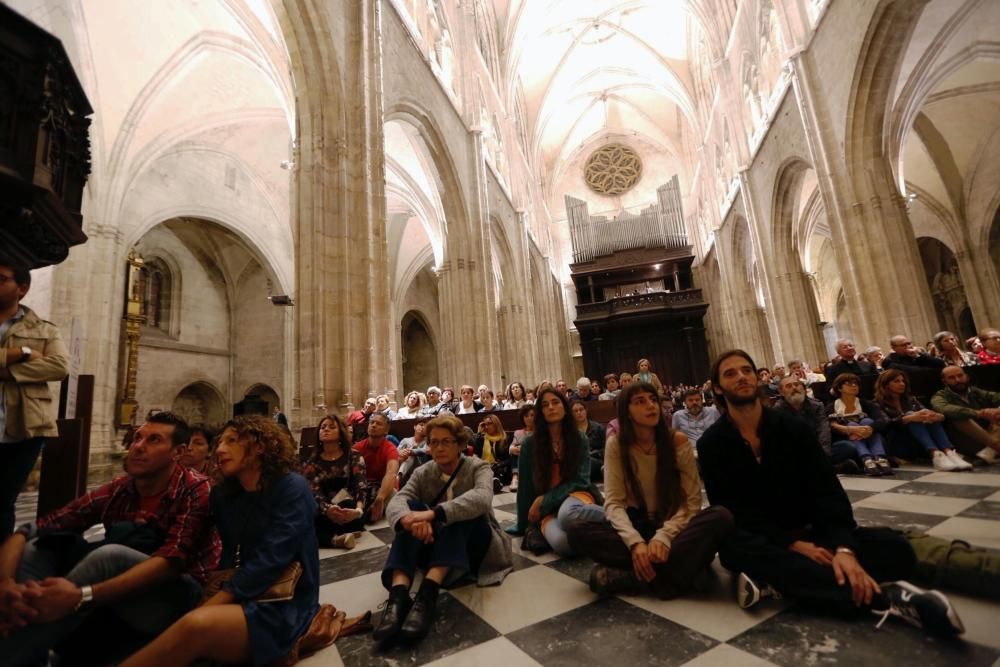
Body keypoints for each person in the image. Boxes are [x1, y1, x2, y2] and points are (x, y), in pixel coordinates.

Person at [697, 350, 964, 637]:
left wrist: (844, 550)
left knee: (897, 550)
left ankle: (778, 583)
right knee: (739, 547)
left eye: (746, 370)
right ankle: (887, 599)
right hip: (760, 537)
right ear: (717, 388)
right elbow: (734, 510)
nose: (742, 377)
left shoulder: (793, 428)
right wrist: (791, 543)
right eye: (730, 373)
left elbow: (827, 491)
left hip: (809, 528)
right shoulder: (712, 444)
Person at [0, 412, 220, 666]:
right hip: (123, 591)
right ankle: (22, 634)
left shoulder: (196, 489)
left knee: (109, 556)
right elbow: (36, 528)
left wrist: (80, 596)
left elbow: (172, 561)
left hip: (177, 596)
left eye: (154, 440)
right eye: (137, 437)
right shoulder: (121, 488)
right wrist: (5, 584)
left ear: (178, 452)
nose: (137, 446)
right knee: (34, 550)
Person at [122, 416, 320, 667]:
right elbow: (210, 545)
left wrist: (212, 604)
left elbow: (270, 560)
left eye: (232, 440)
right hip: (237, 590)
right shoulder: (225, 495)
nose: (220, 449)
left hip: (283, 601)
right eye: (220, 442)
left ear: (260, 446)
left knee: (195, 625)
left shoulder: (292, 488)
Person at [567, 382, 733, 598]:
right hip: (638, 524)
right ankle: (679, 573)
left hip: (674, 525)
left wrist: (664, 536)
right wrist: (635, 543)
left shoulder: (677, 441)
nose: (651, 406)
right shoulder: (617, 444)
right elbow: (614, 503)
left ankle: (634, 578)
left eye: (653, 400)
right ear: (626, 410)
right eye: (640, 401)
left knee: (721, 516)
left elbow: (692, 502)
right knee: (577, 531)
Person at [373, 415, 512, 645]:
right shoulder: (423, 472)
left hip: (475, 544)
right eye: (434, 442)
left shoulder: (478, 466)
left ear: (459, 444)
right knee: (411, 508)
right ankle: (398, 597)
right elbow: (399, 499)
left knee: (462, 514)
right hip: (437, 545)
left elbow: (482, 498)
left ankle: (428, 594)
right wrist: (408, 519)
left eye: (446, 441)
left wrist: (433, 514)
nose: (439, 447)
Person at [0, 258, 69, 537]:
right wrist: (21, 353)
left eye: (1, 279)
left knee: (3, 501)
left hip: (24, 428)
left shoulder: (44, 329)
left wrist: (9, 373)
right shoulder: (32, 341)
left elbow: (59, 366)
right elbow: (42, 363)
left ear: (22, 288)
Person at [505, 388, 604, 556]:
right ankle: (603, 533)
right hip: (547, 509)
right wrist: (524, 523)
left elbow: (581, 480)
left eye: (555, 402)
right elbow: (526, 486)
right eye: (545, 405)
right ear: (540, 412)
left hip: (576, 495)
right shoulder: (530, 444)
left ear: (564, 407)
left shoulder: (579, 438)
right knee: (562, 544)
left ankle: (620, 517)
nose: (551, 407)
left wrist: (544, 499)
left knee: (567, 515)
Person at [875, 370, 970, 471]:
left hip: (919, 442)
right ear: (885, 385)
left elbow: (926, 413)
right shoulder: (877, 403)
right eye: (896, 381)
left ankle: (948, 452)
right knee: (912, 414)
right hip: (898, 444)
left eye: (903, 381)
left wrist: (937, 416)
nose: (902, 384)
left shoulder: (911, 400)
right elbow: (884, 425)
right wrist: (909, 418)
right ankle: (935, 454)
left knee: (927, 415)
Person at [302, 414, 368, 550]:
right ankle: (336, 539)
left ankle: (331, 535)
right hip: (323, 510)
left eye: (332, 427)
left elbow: (360, 485)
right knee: (306, 514)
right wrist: (327, 509)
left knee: (347, 505)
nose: (325, 429)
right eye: (323, 427)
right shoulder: (312, 462)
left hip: (348, 510)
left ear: (341, 433)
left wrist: (358, 510)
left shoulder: (353, 455)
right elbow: (314, 491)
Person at [772, 376, 859, 474]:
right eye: (788, 386)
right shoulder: (777, 410)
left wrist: (823, 454)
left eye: (796, 385)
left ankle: (819, 468)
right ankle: (833, 468)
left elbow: (823, 430)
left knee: (848, 447)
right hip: (796, 451)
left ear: (803, 389)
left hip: (819, 448)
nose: (794, 388)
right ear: (781, 392)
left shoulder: (817, 405)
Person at [931, 365, 1000, 465]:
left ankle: (989, 451)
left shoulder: (975, 392)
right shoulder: (940, 396)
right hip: (964, 439)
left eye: (960, 375)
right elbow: (944, 409)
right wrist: (979, 413)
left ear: (966, 377)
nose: (958, 380)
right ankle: (995, 448)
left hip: (986, 435)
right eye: (951, 378)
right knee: (959, 417)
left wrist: (996, 411)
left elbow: (996, 397)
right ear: (944, 381)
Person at [826, 373, 891, 476]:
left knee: (867, 421)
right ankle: (868, 459)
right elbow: (830, 426)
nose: (854, 386)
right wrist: (851, 430)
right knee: (852, 425)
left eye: (856, 384)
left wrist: (870, 428)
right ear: (839, 388)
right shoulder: (832, 406)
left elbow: (881, 420)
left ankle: (878, 458)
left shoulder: (866, 404)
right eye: (848, 384)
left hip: (870, 435)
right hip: (845, 438)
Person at [353, 413, 399, 522]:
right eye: (371, 422)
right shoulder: (357, 447)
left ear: (386, 430)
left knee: (395, 498)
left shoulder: (390, 448)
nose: (373, 425)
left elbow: (391, 473)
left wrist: (380, 498)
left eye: (378, 424)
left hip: (382, 488)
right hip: (362, 488)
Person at [474, 414, 511, 492]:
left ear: (496, 424)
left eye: (490, 423)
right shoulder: (481, 439)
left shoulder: (504, 439)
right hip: (484, 467)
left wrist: (498, 464)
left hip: (499, 468)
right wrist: (479, 433)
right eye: (485, 424)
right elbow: (475, 454)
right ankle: (493, 482)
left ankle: (492, 482)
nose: (487, 427)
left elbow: (509, 459)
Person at [571, 400, 606, 482]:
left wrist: (594, 453)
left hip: (596, 460)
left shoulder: (598, 428)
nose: (579, 413)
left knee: (589, 462)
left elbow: (606, 449)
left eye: (581, 409)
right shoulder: (570, 431)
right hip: (578, 462)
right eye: (575, 411)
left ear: (586, 410)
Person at [397, 416, 431, 486]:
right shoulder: (405, 440)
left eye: (426, 426)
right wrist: (403, 455)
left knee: (411, 456)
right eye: (421, 425)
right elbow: (396, 454)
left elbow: (427, 450)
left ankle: (398, 479)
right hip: (405, 468)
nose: (423, 427)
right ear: (415, 427)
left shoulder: (428, 441)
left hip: (421, 468)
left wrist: (411, 451)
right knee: (405, 457)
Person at [509, 405, 534, 492]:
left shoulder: (541, 431)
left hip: (535, 458)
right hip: (521, 458)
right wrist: (512, 448)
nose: (529, 418)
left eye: (532, 415)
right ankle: (515, 478)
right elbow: (512, 446)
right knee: (515, 450)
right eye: (526, 416)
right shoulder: (518, 433)